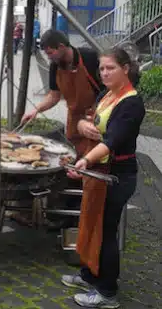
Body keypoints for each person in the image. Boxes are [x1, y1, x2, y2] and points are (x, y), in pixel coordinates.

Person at [62, 48, 145, 309]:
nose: (105, 73)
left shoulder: (131, 103)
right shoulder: (107, 94)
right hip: (99, 172)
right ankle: (89, 274)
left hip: (116, 176)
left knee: (105, 233)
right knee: (90, 225)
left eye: (110, 68)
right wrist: (81, 126)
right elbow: (90, 119)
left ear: (125, 69)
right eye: (102, 69)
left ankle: (107, 292)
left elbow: (112, 141)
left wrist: (85, 160)